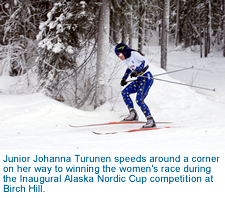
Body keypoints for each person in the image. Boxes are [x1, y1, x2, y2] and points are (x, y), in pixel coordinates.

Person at [115, 43, 156, 128]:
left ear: (124, 51)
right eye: (117, 55)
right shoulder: (126, 59)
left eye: (119, 54)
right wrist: (124, 79)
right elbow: (129, 68)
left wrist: (137, 71)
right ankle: (133, 114)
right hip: (139, 79)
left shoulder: (134, 54)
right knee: (125, 92)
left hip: (146, 78)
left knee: (139, 100)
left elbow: (145, 62)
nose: (118, 56)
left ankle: (150, 120)